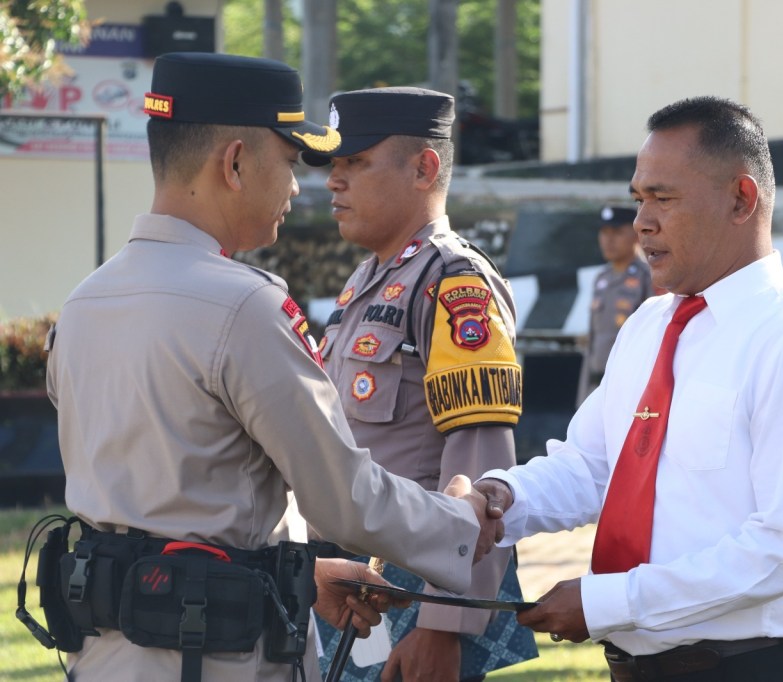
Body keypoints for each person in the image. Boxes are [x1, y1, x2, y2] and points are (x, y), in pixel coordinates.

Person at [43, 53, 502, 682]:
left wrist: (298, 574)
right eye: (289, 162)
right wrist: (458, 521)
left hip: (106, 654)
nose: (298, 186)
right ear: (234, 163)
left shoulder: (85, 301)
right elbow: (344, 500)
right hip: (215, 658)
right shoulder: (242, 304)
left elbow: (166, 502)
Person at [475, 96, 783, 682]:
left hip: (748, 669)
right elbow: (592, 465)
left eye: (664, 198)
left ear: (741, 199)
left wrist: (609, 601)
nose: (641, 222)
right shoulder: (650, 325)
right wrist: (502, 498)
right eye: (639, 199)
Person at [301, 87, 537, 682]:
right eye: (335, 164)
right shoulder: (369, 279)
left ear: (424, 167)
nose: (335, 180)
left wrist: (443, 624)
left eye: (356, 162)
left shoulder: (454, 280)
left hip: (409, 586)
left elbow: (480, 462)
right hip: (349, 583)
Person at [577, 204, 655, 405]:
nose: (608, 240)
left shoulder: (648, 276)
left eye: (617, 232)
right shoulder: (602, 278)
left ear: (636, 235)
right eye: (604, 232)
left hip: (628, 387)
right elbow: (594, 339)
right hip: (596, 383)